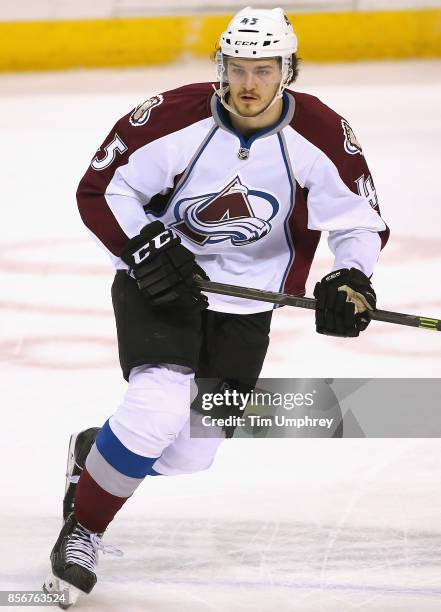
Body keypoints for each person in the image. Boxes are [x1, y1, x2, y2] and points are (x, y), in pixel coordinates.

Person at [43, 5, 389, 606]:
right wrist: (143, 243)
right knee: (160, 398)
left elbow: (360, 223)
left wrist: (351, 277)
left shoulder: (324, 136)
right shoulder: (174, 116)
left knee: (191, 450)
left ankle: (93, 455)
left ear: (289, 69)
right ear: (221, 67)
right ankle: (84, 530)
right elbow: (103, 188)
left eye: (263, 69)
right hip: (164, 281)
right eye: (237, 67)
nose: (248, 84)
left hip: (247, 300)